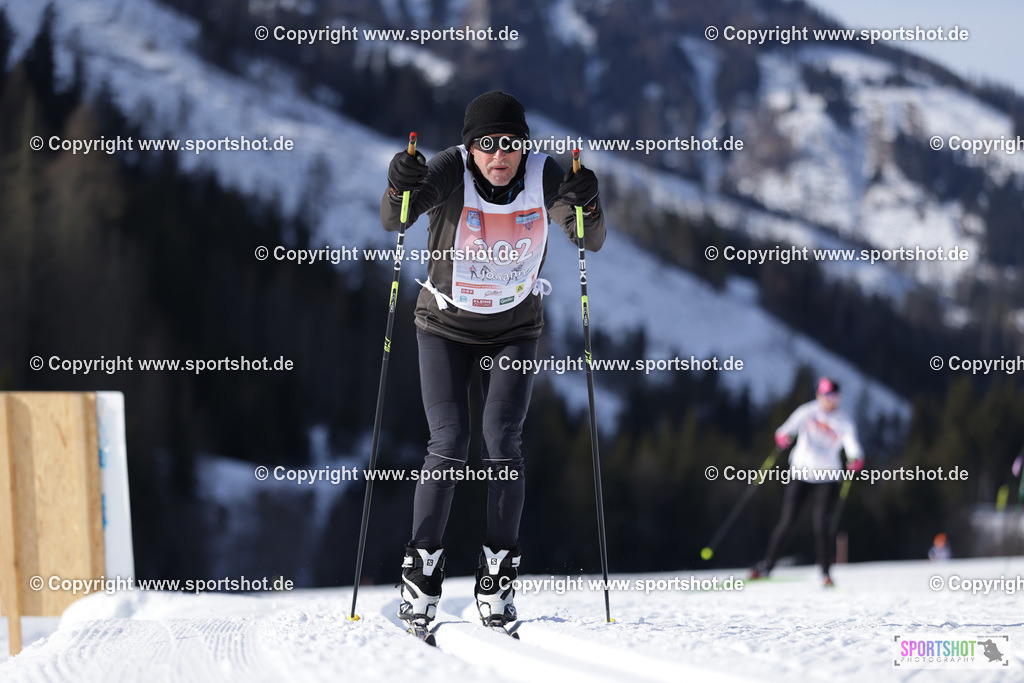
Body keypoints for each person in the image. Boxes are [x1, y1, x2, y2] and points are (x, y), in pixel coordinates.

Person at [380, 91, 606, 629]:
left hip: (514, 328)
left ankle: (498, 573)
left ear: (523, 146)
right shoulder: (448, 170)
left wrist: (587, 202)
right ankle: (422, 570)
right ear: (470, 148)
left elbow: (588, 239)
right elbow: (397, 219)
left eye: (510, 144)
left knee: (502, 440)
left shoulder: (545, 175)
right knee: (450, 439)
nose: (500, 156)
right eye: (487, 145)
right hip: (444, 324)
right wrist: (399, 185)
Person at [750, 377, 864, 587]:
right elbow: (785, 430)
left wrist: (856, 458)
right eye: (827, 396)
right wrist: (783, 437)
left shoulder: (844, 420)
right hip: (800, 473)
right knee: (787, 522)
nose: (831, 401)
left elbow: (852, 444)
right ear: (818, 395)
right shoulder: (807, 412)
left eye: (835, 396)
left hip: (827, 477)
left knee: (822, 525)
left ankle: (825, 573)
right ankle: (767, 565)